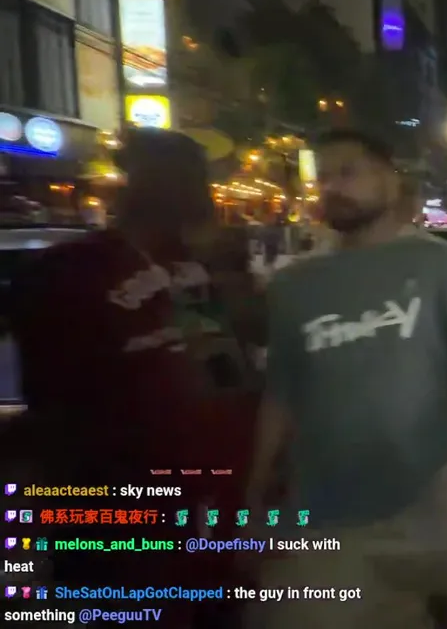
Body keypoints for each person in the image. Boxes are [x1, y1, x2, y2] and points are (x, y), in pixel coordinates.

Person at [243, 128, 447, 629]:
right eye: (324, 176)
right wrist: (255, 486)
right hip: (322, 510)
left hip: (432, 490)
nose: (332, 186)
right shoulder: (295, 285)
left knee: (445, 593)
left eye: (348, 172)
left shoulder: (436, 264)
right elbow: (281, 393)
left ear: (390, 182)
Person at [11, 129, 261, 626]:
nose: (203, 196)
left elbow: (235, 363)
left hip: (212, 516)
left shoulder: (198, 267)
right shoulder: (68, 271)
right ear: (142, 183)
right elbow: (54, 407)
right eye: (188, 180)